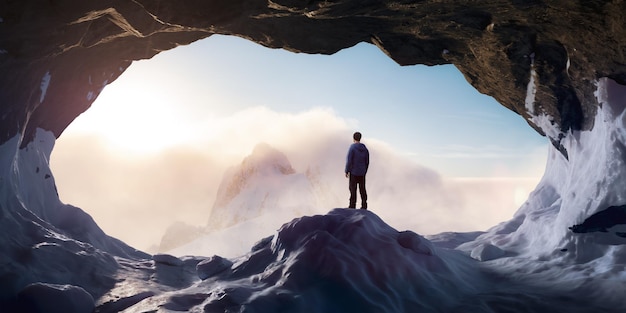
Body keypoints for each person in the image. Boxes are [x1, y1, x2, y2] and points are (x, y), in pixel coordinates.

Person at [345, 131, 369, 209]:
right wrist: (365, 170)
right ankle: (364, 205)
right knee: (362, 189)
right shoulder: (365, 149)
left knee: (353, 189)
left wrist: (347, 170)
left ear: (353, 138)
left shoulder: (352, 147)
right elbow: (367, 161)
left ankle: (352, 205)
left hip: (354, 172)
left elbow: (349, 160)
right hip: (362, 173)